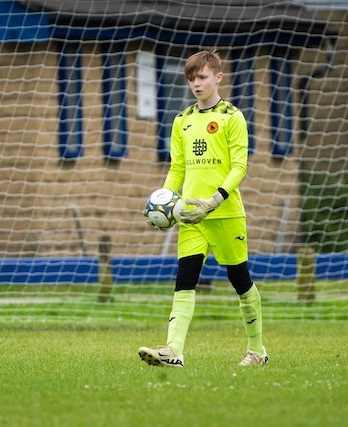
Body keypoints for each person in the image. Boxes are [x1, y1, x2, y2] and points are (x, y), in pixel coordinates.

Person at [139, 49, 267, 367]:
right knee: (185, 279)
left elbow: (240, 166)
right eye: (192, 79)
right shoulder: (182, 120)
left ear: (217, 77)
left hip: (225, 213)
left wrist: (215, 200)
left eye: (202, 77)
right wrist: (164, 203)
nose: (196, 84)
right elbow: (177, 169)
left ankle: (257, 351)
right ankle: (173, 351)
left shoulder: (232, 117)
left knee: (240, 280)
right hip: (191, 214)